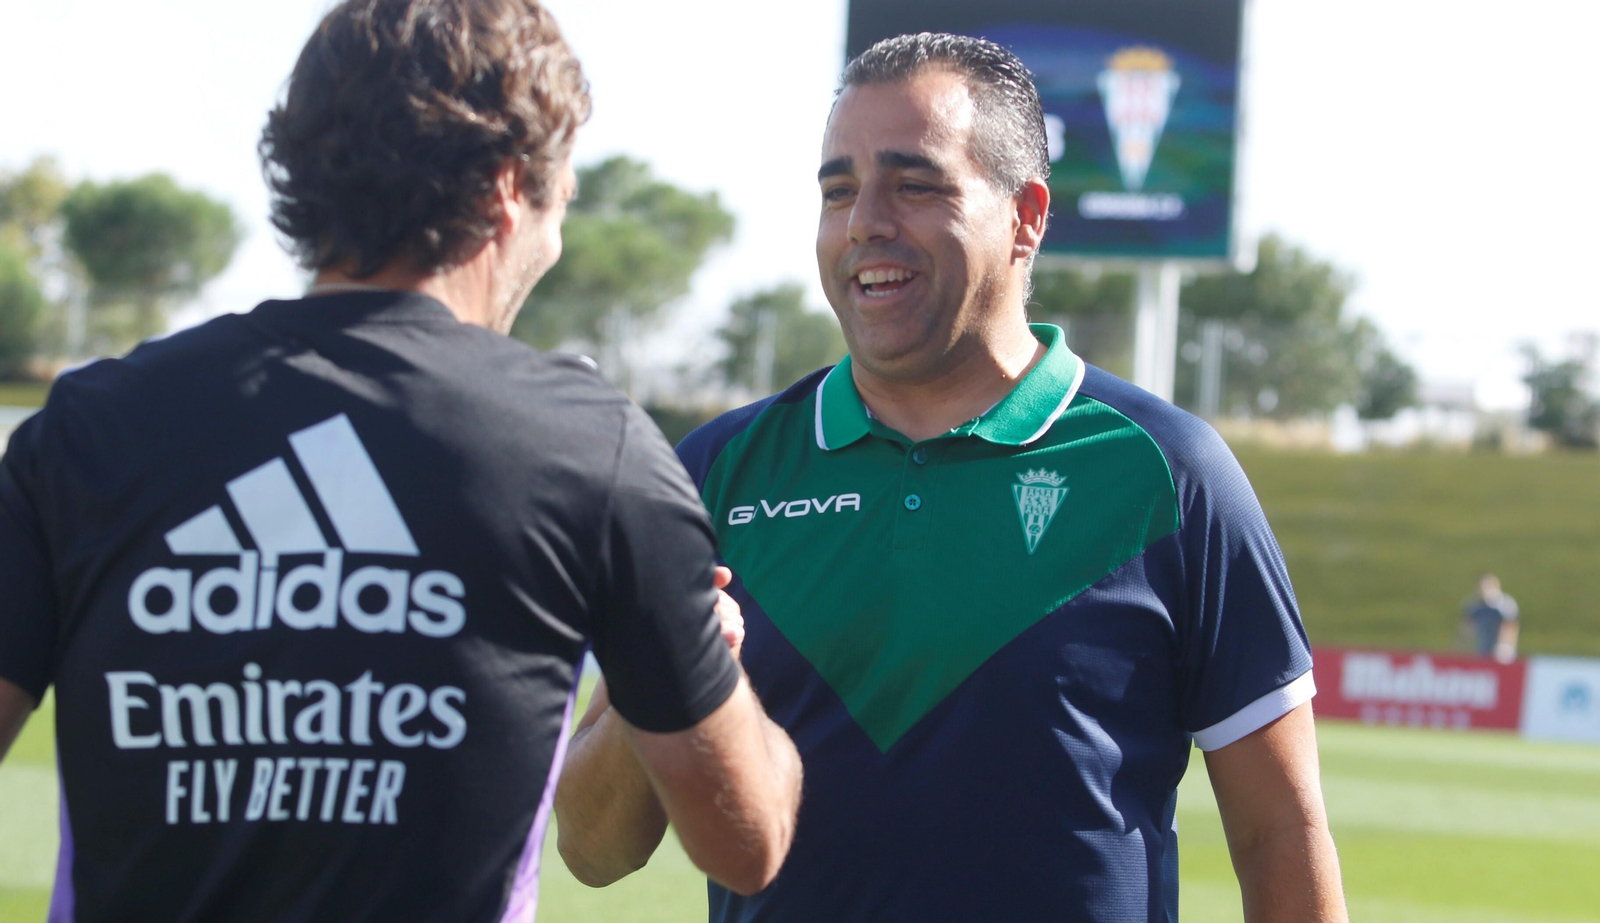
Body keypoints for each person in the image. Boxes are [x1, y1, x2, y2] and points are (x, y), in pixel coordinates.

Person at [0, 1, 801, 920]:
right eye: (563, 199)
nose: (558, 237)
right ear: (510, 187)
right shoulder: (591, 450)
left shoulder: (90, 426)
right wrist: (702, 654)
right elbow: (750, 840)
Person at [557, 33, 1347, 922]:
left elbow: (1280, 831)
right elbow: (592, 850)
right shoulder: (716, 473)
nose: (864, 223)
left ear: (1027, 217)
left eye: (916, 183)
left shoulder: (1170, 474)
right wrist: (671, 665)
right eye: (839, 190)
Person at [1461, 573, 1520, 662]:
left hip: (1501, 650)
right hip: (1481, 648)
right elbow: (1466, 627)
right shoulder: (1474, 606)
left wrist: (1506, 647)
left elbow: (1511, 627)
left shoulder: (1505, 606)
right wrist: (1465, 647)